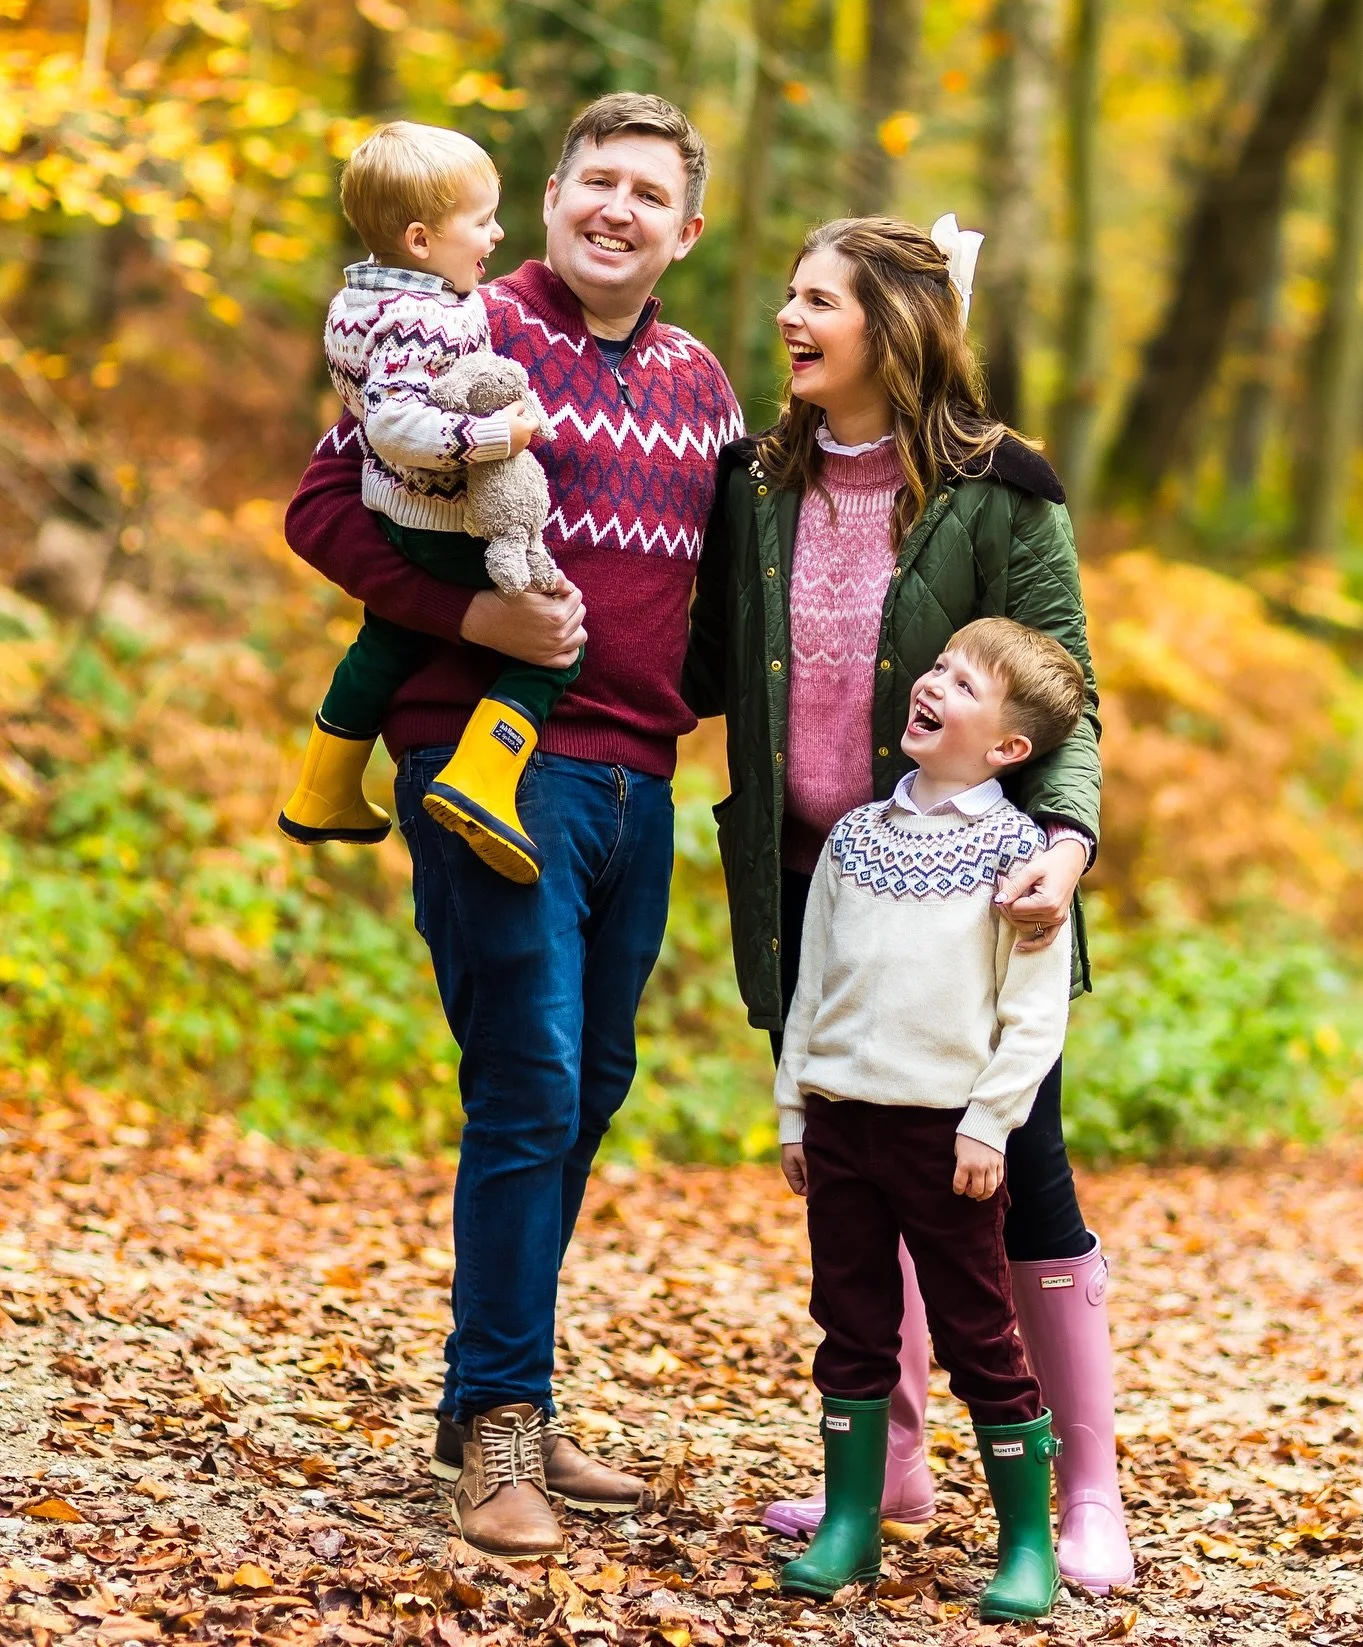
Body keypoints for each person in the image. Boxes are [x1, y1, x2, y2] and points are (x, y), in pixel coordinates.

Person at [284, 94, 743, 1558]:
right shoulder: (460, 328)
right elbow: (321, 509)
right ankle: (495, 1425)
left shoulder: (703, 381)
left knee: (591, 1079)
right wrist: (475, 609)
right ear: (549, 196)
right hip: (486, 754)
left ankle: (515, 1398)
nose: (617, 208)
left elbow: (741, 586)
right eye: (594, 180)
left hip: (640, 776)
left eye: (647, 192)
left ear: (688, 227)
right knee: (531, 1079)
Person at [683, 216, 1133, 1594]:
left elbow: (1065, 692)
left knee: (1021, 1183)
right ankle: (888, 1464)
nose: (789, 317)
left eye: (821, 298)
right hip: (815, 887)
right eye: (788, 295)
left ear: (895, 320)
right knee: (861, 1175)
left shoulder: (1003, 487)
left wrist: (1065, 843)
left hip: (984, 896)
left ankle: (1086, 1486)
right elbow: (697, 661)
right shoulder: (754, 482)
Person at [774, 617, 1084, 1612]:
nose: (935, 682)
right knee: (850, 1321)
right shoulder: (855, 839)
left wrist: (989, 1122)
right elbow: (812, 979)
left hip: (946, 1137)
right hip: (842, 1125)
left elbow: (1031, 1013)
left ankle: (1026, 1542)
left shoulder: (1022, 855)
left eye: (965, 681)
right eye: (938, 666)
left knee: (979, 1334)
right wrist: (794, 1105)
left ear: (1008, 747)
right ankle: (850, 1523)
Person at [278, 120, 578, 883]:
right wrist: (495, 436)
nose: (497, 233)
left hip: (394, 509)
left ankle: (322, 788)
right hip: (441, 515)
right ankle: (482, 774)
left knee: (387, 641)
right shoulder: (428, 314)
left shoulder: (361, 301)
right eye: (480, 221)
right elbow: (393, 421)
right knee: (557, 639)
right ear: (419, 239)